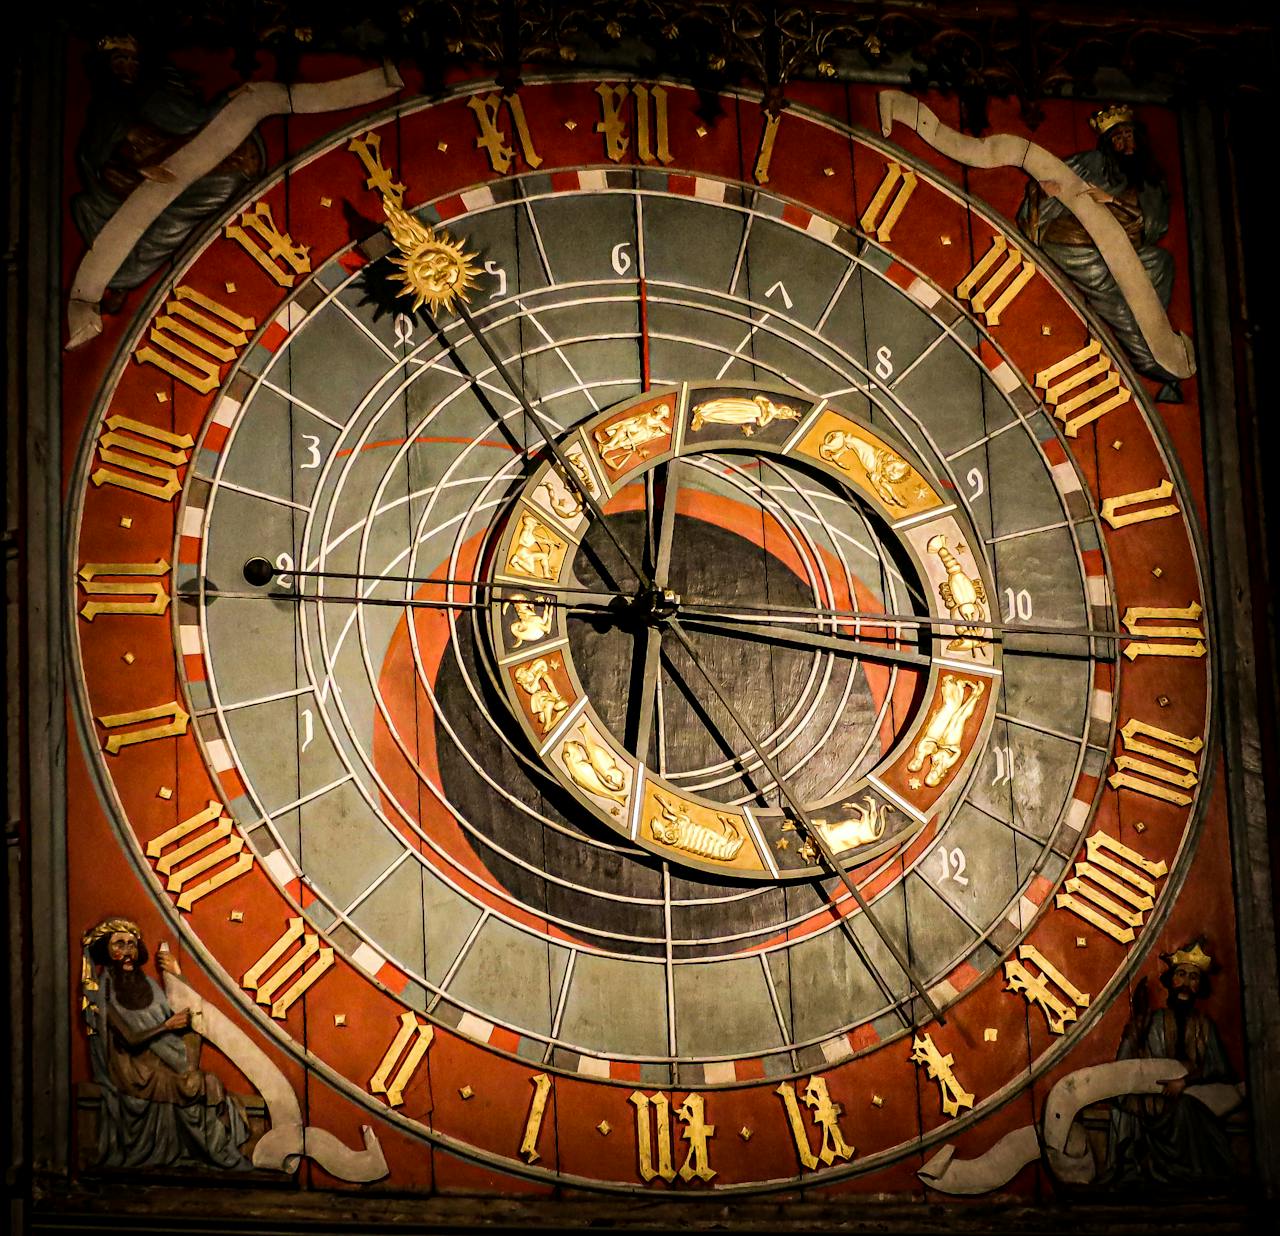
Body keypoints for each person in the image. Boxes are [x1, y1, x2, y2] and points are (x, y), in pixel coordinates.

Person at [71, 34, 265, 311]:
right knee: (151, 222)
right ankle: (118, 280)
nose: (127, 68)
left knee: (221, 185)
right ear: (107, 67)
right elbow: (92, 155)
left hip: (173, 170)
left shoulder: (154, 96)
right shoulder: (106, 106)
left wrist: (229, 97)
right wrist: (137, 167)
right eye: (119, 61)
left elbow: (194, 118)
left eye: (131, 61)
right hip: (126, 182)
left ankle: (120, 280)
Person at [1018, 104, 1182, 402]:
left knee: (1159, 263)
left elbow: (1150, 225)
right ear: (1108, 144)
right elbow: (1041, 190)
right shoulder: (1088, 164)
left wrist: (1111, 202)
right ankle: (1154, 364)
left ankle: (1155, 338)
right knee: (1119, 306)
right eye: (1118, 138)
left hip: (1120, 249)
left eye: (1129, 135)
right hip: (1076, 248)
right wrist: (1046, 191)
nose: (1126, 144)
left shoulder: (1148, 177)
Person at [80, 916, 250, 1169]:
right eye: (119, 945)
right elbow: (129, 1039)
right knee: (194, 1085)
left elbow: (188, 1014)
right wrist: (166, 1027)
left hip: (161, 1059)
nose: (127, 952)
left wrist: (177, 975)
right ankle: (218, 1154)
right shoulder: (103, 991)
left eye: (131, 944)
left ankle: (218, 1150)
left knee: (206, 1079)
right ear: (105, 950)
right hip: (132, 1069)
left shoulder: (148, 983)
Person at [1102, 941, 1237, 1187]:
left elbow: (1220, 1069)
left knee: (1187, 1109)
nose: (1186, 983)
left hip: (1192, 1100)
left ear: (1200, 986)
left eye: (1194, 977)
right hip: (1152, 1102)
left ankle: (1199, 1177)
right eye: (1181, 974)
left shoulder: (1205, 1027)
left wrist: (1184, 1082)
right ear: (1170, 980)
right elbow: (1124, 1067)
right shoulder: (1150, 1022)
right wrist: (1134, 1033)